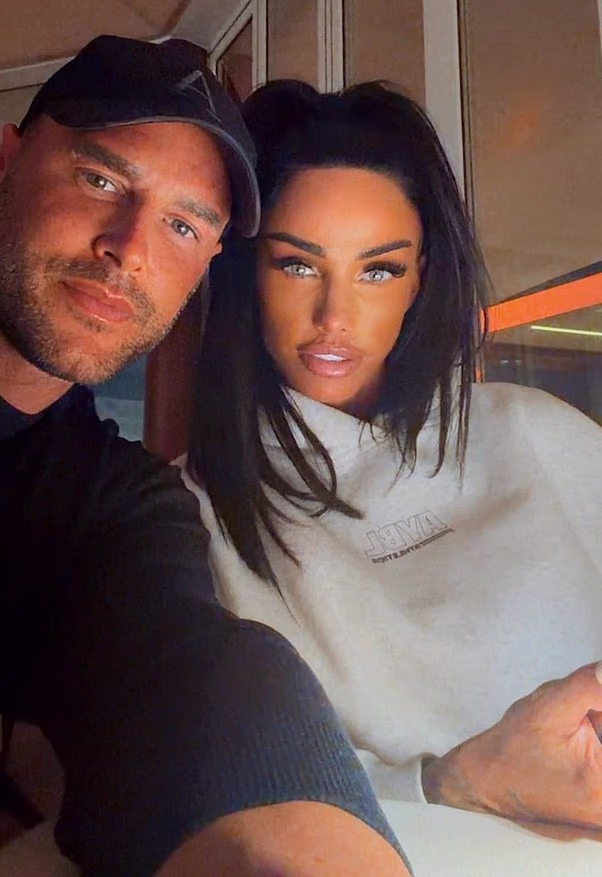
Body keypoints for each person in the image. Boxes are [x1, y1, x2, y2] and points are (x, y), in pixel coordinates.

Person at [0, 40, 412, 877]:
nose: (130, 248)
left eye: (182, 224)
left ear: (203, 268)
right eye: (101, 180)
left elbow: (187, 669)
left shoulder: (104, 506)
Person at [184, 80, 602, 834]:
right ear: (247, 271)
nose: (335, 317)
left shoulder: (535, 432)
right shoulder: (191, 516)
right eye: (298, 264)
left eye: (377, 269)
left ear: (419, 279)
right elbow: (219, 793)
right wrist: (451, 785)